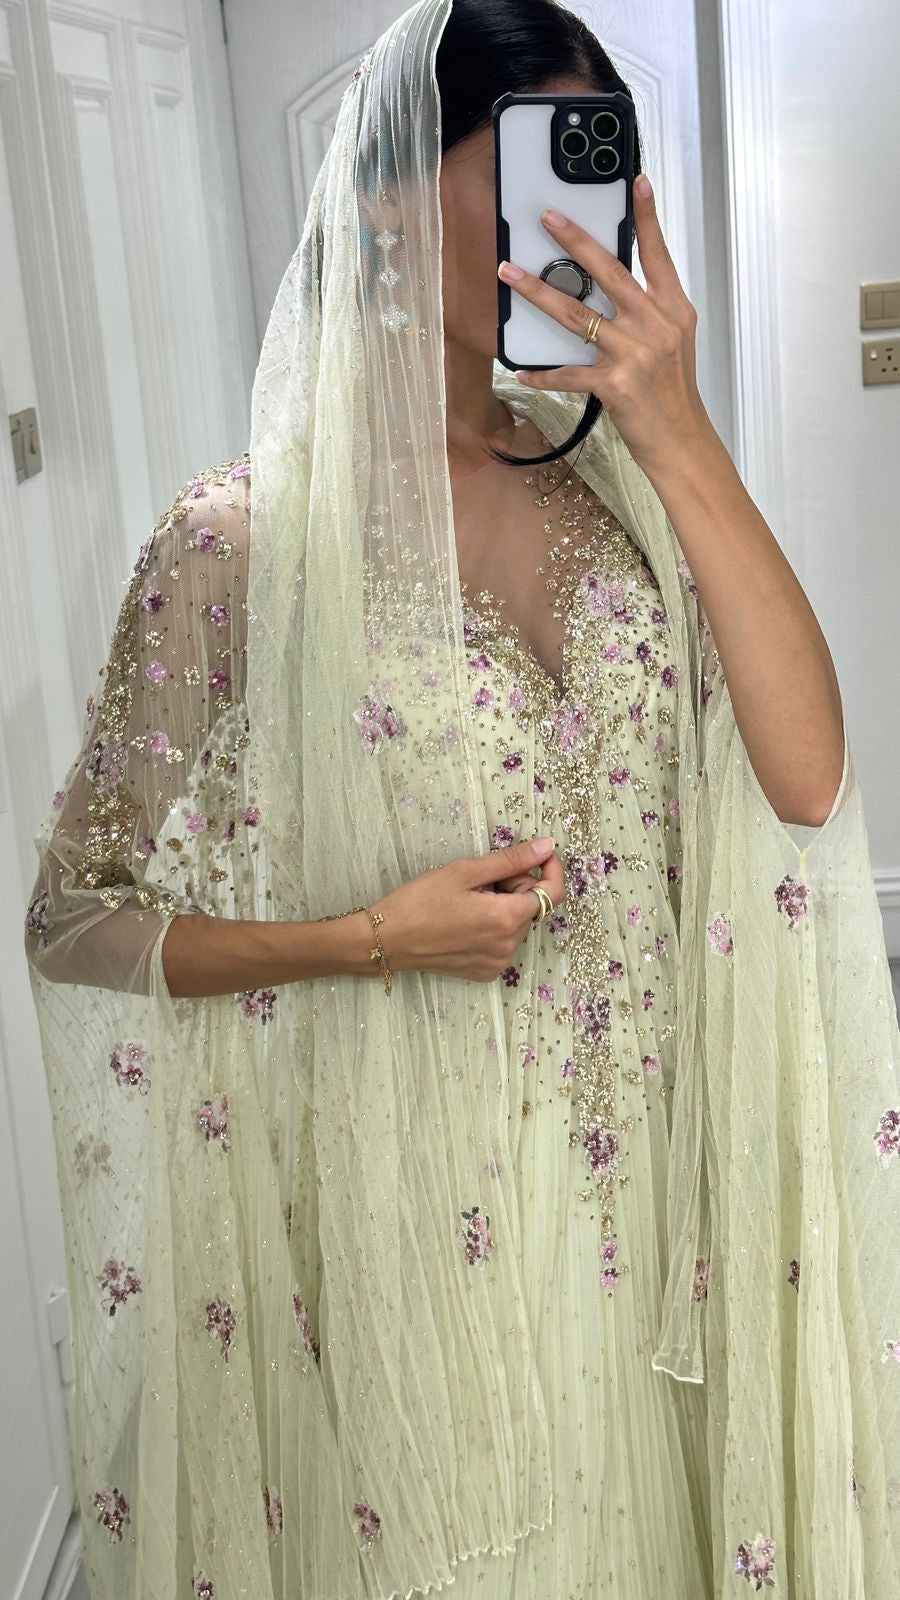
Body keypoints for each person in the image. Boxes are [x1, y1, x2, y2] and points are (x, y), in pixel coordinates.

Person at [25, 1, 900, 1596]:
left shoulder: (619, 481)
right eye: (525, 172)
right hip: (424, 1223)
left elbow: (810, 780)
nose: (567, 230)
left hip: (669, 1193)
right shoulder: (245, 543)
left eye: (596, 175)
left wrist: (680, 427)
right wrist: (370, 938)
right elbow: (74, 918)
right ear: (382, 190)